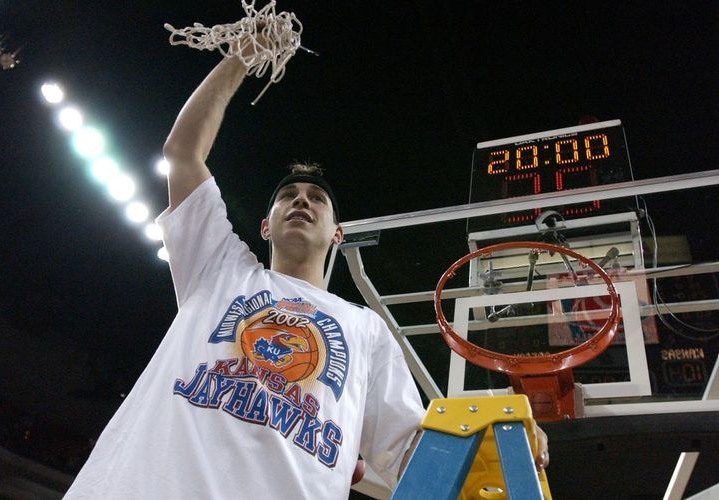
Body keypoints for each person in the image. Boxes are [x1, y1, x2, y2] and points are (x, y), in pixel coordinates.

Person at [65, 43, 547, 499]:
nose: (301, 201)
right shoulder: (220, 267)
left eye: (317, 199)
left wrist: (495, 440)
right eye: (287, 197)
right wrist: (238, 60)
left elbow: (408, 450)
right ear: (265, 225)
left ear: (338, 234)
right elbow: (182, 154)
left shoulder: (366, 329)